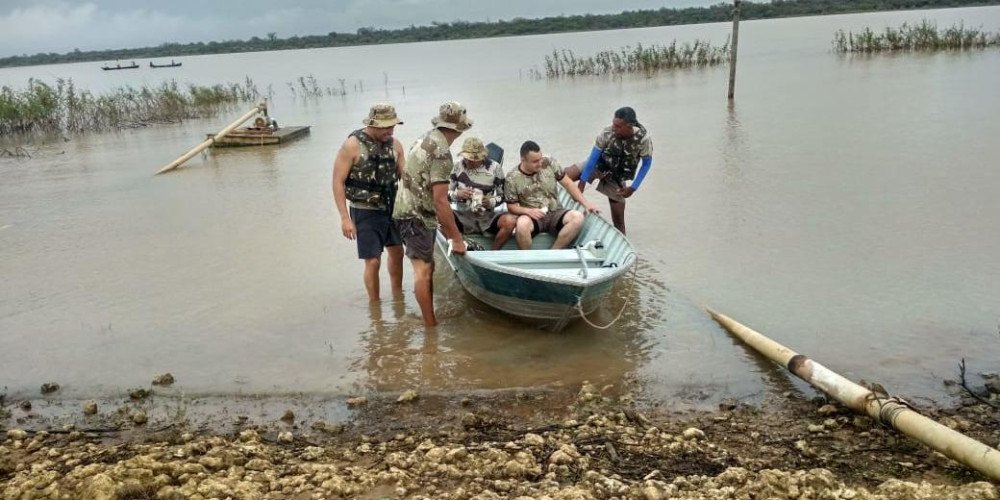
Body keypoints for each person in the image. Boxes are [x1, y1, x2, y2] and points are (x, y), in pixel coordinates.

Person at [392, 101, 472, 327]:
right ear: (459, 128)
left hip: (407, 210)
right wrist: (456, 238)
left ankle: (425, 319)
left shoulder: (424, 138)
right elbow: (440, 199)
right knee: (423, 271)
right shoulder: (442, 153)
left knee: (427, 267)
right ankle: (430, 328)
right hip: (415, 215)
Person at [332, 103, 405, 302]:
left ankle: (398, 297)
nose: (390, 131)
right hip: (365, 209)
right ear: (373, 124)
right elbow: (337, 182)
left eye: (393, 126)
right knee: (372, 261)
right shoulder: (352, 145)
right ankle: (375, 305)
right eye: (386, 127)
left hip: (391, 207)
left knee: (398, 252)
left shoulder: (396, 145)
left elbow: (406, 179)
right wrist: (344, 218)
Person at [564, 106, 653, 235]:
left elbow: (646, 164)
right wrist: (582, 182)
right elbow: (594, 156)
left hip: (616, 177)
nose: (613, 128)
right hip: (598, 164)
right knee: (564, 175)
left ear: (629, 126)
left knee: (619, 221)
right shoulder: (607, 132)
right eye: (613, 123)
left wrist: (633, 188)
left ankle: (623, 247)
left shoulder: (643, 139)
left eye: (618, 126)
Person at [499, 140, 600, 250]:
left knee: (578, 217)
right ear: (523, 160)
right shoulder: (512, 178)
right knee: (522, 224)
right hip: (532, 216)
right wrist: (528, 211)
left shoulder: (549, 163)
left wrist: (586, 203)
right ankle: (527, 258)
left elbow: (568, 183)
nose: (540, 163)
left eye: (540, 158)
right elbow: (511, 207)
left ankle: (554, 252)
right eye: (535, 161)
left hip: (555, 212)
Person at [448, 137, 516, 249]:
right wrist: (457, 195)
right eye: (466, 158)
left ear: (482, 157)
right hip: (462, 216)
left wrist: (490, 202)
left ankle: (493, 253)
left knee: (510, 221)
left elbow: (503, 196)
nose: (468, 161)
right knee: (440, 216)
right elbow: (444, 194)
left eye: (472, 159)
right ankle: (460, 244)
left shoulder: (495, 168)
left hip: (486, 217)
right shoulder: (457, 167)